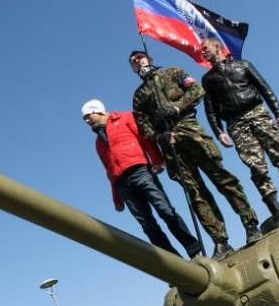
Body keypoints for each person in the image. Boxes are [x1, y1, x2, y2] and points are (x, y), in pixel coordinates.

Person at [129, 50, 261, 259]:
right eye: (134, 62)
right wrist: (158, 136)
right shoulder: (139, 96)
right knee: (195, 193)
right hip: (170, 144)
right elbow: (143, 125)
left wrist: (176, 107)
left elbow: (197, 91)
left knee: (222, 178)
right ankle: (220, 241)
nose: (138, 62)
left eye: (140, 58)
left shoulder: (172, 73)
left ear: (149, 58)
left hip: (191, 131)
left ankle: (250, 224)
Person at [200, 38, 279, 219]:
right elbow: (210, 110)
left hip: (258, 113)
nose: (202, 52)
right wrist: (219, 132)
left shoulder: (243, 65)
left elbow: (265, 90)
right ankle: (276, 211)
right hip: (236, 124)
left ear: (217, 47)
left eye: (205, 48)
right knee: (256, 167)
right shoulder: (208, 80)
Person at [80, 99, 202, 258]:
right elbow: (108, 170)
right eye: (85, 119)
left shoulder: (126, 118)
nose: (87, 121)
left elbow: (144, 140)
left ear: (98, 111)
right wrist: (117, 198)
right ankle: (174, 263)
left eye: (88, 116)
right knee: (148, 226)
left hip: (141, 172)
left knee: (166, 211)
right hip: (122, 185)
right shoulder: (98, 142)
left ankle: (194, 250)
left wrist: (157, 161)